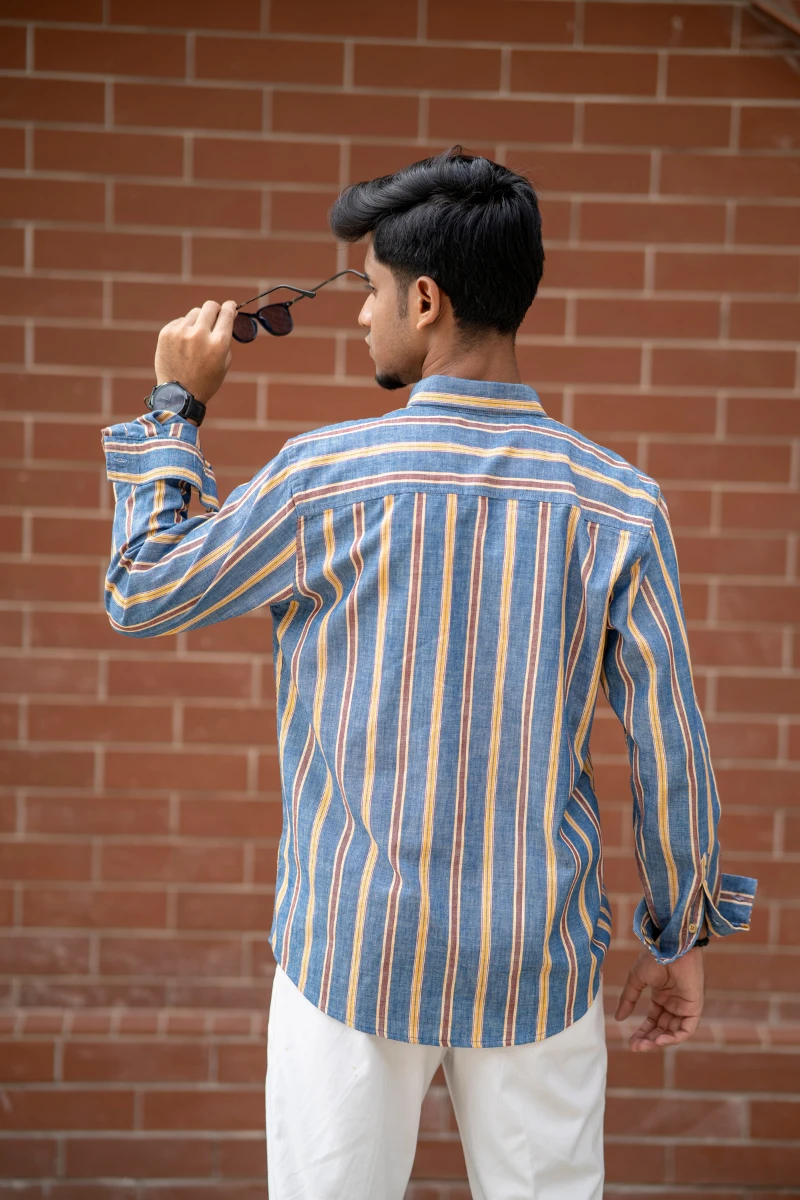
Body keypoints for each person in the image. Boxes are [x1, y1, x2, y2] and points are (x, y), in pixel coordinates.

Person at [101, 147, 757, 1200]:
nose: (361, 316)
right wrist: (681, 934)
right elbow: (668, 746)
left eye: (367, 290)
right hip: (534, 961)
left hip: (350, 950)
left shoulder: (324, 480)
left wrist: (175, 403)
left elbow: (142, 587)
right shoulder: (616, 504)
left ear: (423, 299)